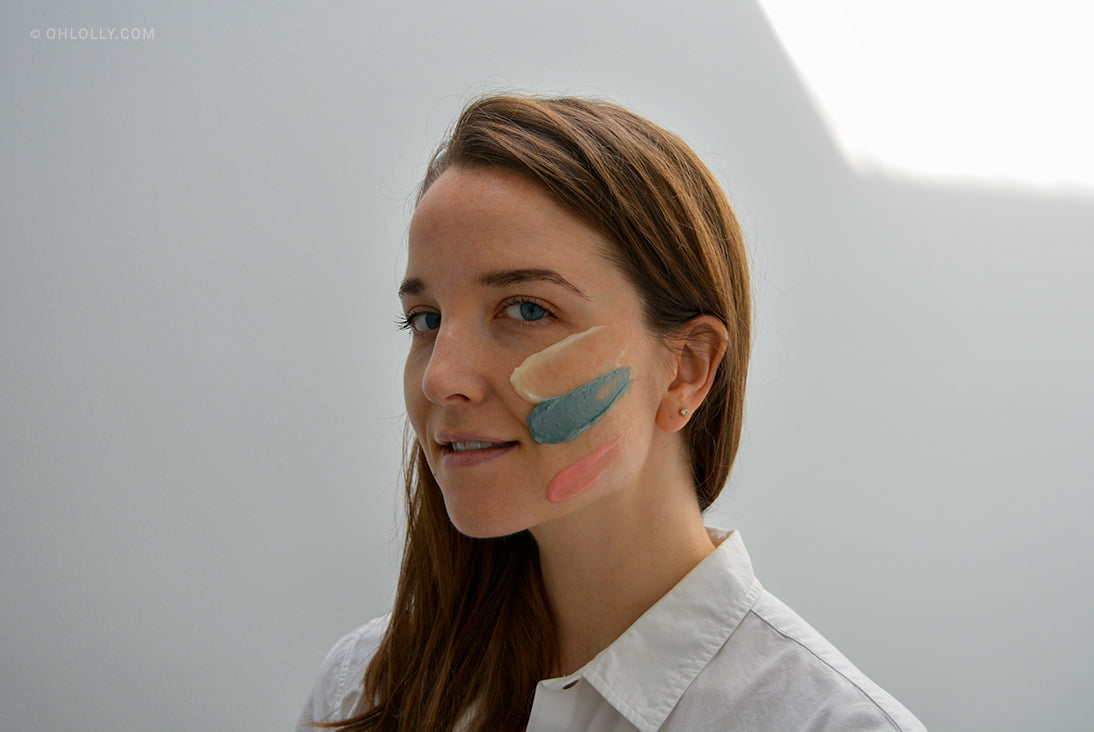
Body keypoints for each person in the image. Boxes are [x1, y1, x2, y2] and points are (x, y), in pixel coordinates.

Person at [297, 94, 926, 731]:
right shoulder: (362, 690)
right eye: (426, 320)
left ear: (686, 369)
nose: (440, 379)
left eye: (527, 310)